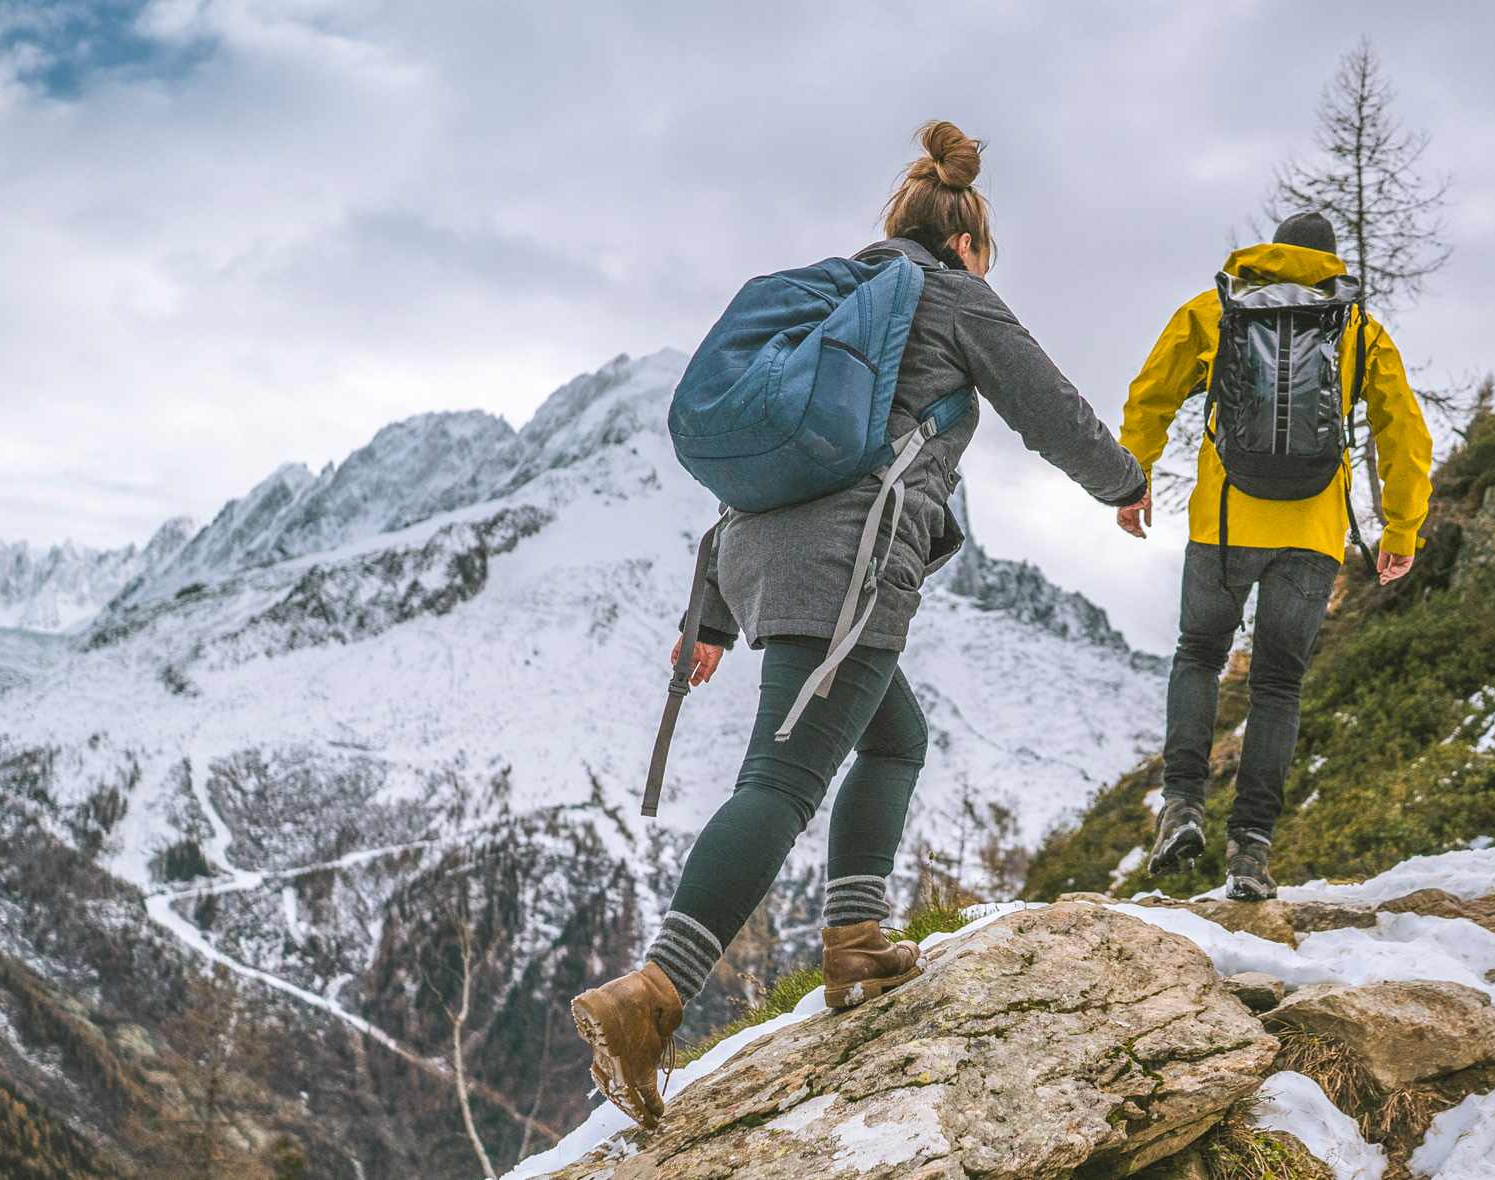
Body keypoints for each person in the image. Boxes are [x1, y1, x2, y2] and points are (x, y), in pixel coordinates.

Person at [568, 121, 1147, 1127]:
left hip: (759, 556)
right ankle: (651, 997)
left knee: (895, 735)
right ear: (966, 243)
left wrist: (709, 610)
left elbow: (769, 460)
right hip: (850, 561)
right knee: (782, 778)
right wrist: (1125, 482)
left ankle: (853, 943)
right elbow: (1047, 406)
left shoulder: (830, 297)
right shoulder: (951, 293)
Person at [1114, 211, 1433, 901]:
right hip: (1313, 532)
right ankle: (1251, 851)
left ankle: (1182, 807)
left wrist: (1133, 479)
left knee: (1199, 656)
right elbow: (1401, 430)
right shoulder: (1357, 327)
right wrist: (1400, 529)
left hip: (1225, 523)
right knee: (1278, 685)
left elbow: (1153, 395)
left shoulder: (1216, 309)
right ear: (1328, 263)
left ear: (1272, 252)